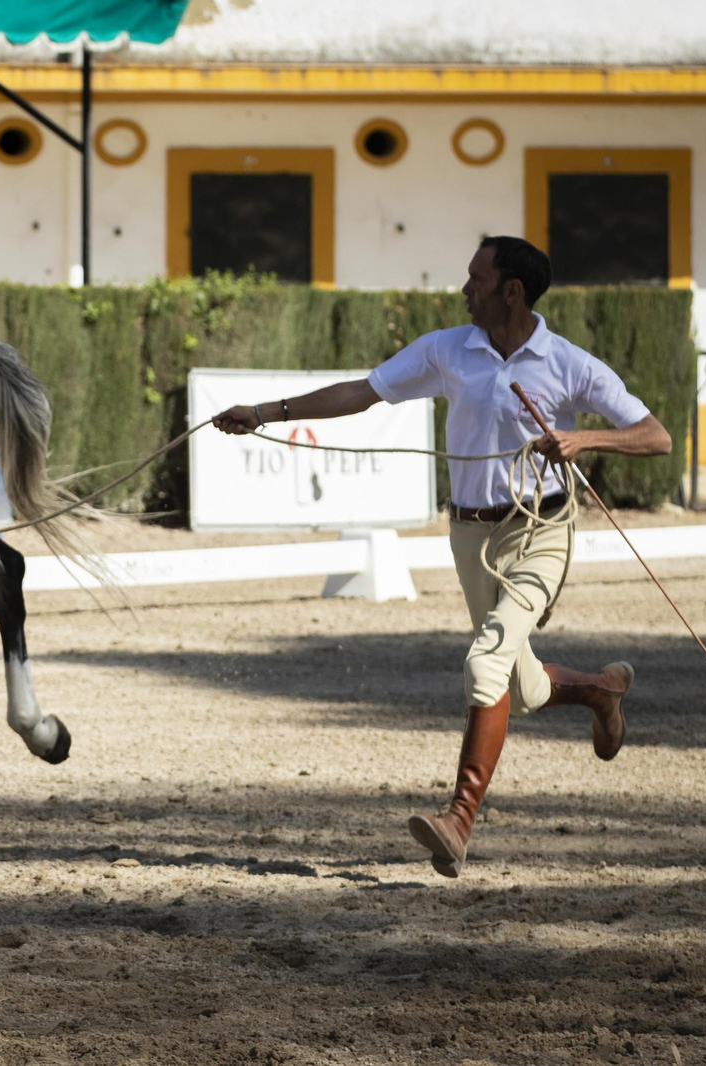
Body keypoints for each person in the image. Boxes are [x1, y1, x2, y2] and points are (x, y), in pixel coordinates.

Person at [212, 236, 673, 877]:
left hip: (541, 530)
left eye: (476, 279)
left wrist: (583, 437)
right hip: (470, 535)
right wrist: (264, 413)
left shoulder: (570, 364)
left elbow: (656, 436)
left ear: (511, 291)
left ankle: (459, 819)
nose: (465, 290)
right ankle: (601, 690)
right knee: (523, 683)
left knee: (486, 662)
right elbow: (363, 392)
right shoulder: (447, 350)